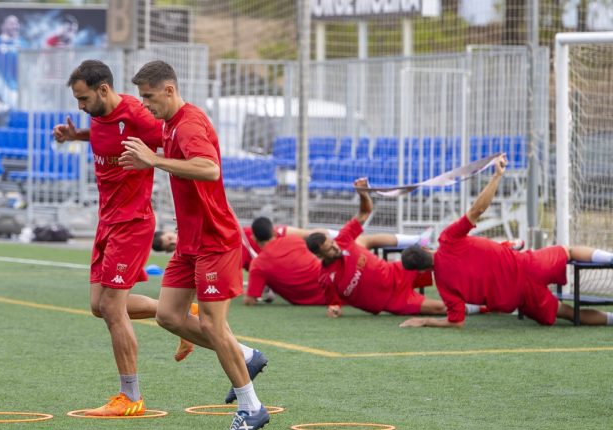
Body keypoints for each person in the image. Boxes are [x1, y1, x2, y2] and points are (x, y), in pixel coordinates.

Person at [120, 60, 269, 430]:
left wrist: (153, 160)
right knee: (169, 316)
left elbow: (209, 169)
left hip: (215, 241)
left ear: (169, 90)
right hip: (190, 243)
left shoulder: (187, 124)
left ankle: (251, 407)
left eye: (149, 97)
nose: (146, 105)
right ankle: (246, 355)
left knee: (212, 327)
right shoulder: (170, 123)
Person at [51, 59, 166, 416]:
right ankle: (178, 313)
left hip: (132, 221)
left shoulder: (138, 114)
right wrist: (76, 135)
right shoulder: (99, 117)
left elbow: (173, 142)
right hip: (108, 222)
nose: (80, 108)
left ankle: (131, 397)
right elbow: (107, 133)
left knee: (114, 308)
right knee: (98, 305)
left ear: (103, 89)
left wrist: (154, 162)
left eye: (83, 100)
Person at [399, 154, 613, 328]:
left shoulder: (443, 286)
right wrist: (497, 176)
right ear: (425, 247)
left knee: (567, 313)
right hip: (529, 265)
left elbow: (457, 322)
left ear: (420, 271)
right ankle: (610, 258)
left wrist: (425, 321)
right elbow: (478, 210)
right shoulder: (447, 239)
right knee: (569, 252)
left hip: (519, 297)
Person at [305, 177, 463, 318]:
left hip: (398, 272)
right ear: (320, 255)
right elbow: (334, 304)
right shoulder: (326, 279)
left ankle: (479, 282)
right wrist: (334, 309)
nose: (336, 247)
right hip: (394, 301)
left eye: (332, 243)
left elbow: (365, 212)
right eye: (330, 249)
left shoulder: (343, 239)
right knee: (443, 308)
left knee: (445, 265)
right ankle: (481, 306)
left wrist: (363, 194)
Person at [244, 221, 429, 308]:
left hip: (334, 292)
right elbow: (316, 235)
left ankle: (419, 252)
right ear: (274, 232)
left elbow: (250, 300)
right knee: (365, 242)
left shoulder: (258, 266)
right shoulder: (292, 239)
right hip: (337, 277)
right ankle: (418, 242)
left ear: (254, 238)